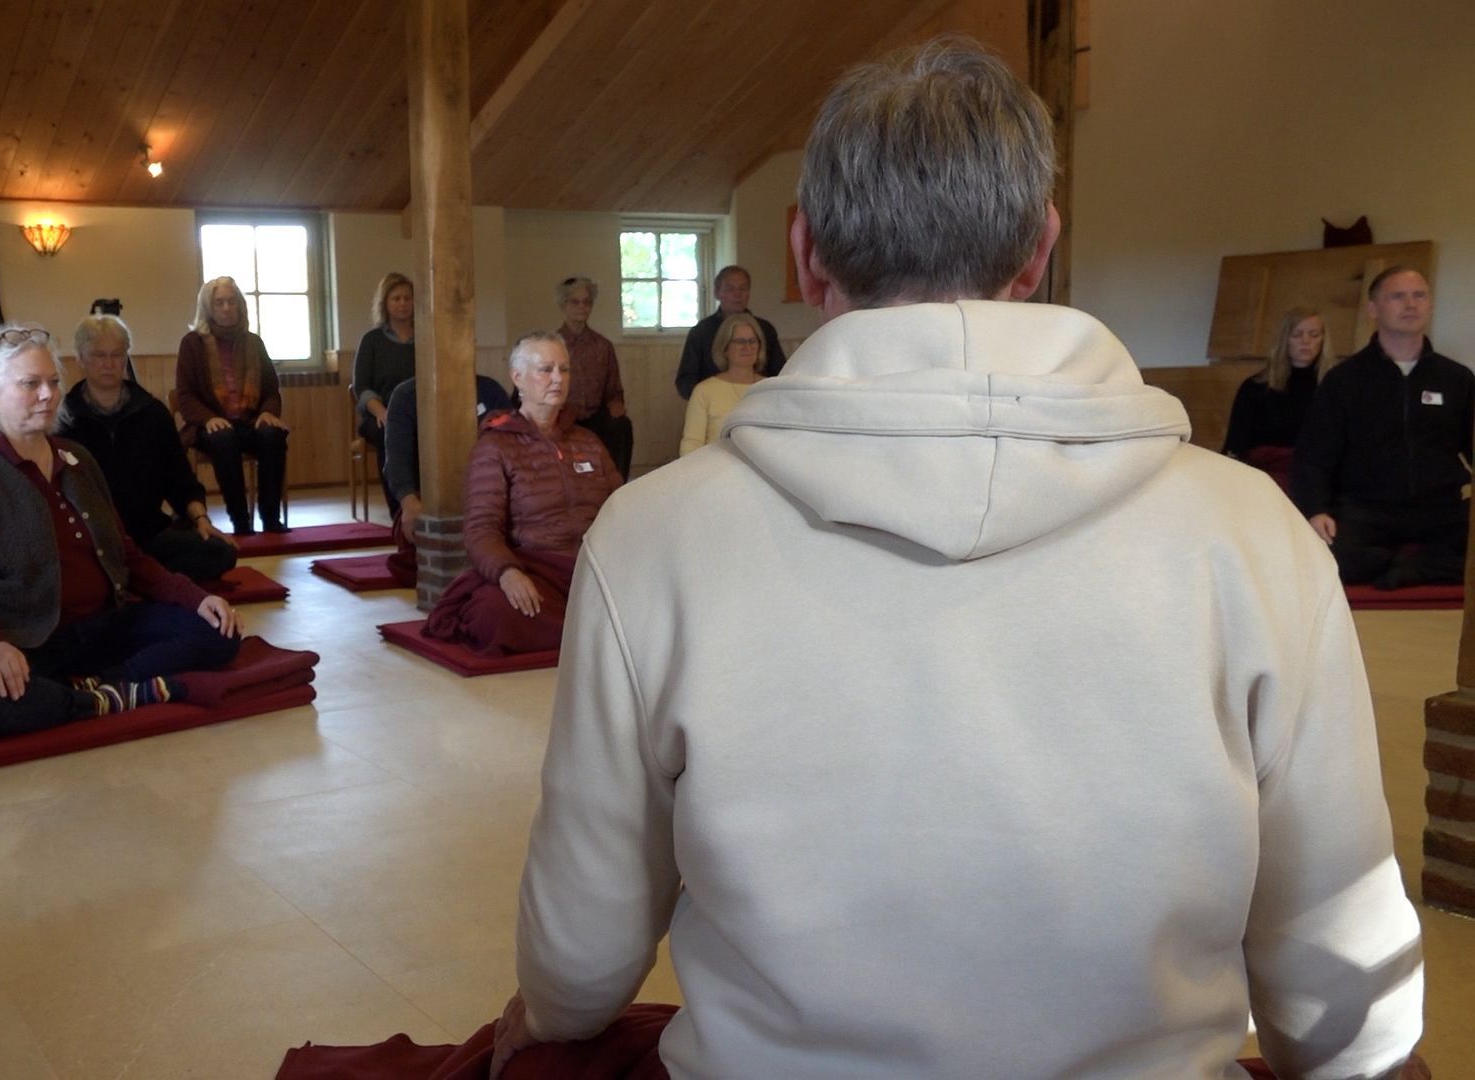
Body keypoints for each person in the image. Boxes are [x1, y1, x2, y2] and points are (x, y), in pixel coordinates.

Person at [489, 39, 1422, 1080]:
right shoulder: (1252, 530)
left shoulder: (653, 533)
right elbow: (1337, 943)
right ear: (1040, 248)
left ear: (805, 251)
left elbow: (588, 924)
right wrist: (1364, 1051)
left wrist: (553, 1008)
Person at [0, 323, 242, 736]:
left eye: (53, 382)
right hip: (22, 638)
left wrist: (196, 598)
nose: (47, 394)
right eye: (30, 384)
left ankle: (102, 687)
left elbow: (126, 555)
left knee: (218, 631)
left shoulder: (77, 459)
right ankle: (108, 695)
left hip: (101, 627)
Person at [425, 333, 620, 655]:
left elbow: (622, 509)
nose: (557, 378)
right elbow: (481, 528)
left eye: (564, 369)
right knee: (495, 613)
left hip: (594, 568)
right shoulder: (495, 446)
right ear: (518, 378)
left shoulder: (588, 441)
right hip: (538, 570)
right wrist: (508, 573)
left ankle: (592, 627)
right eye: (546, 369)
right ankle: (596, 630)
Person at [1294, 266, 1473, 588]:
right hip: (1367, 510)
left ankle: (1410, 569)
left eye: (1419, 295)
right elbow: (1314, 456)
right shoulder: (1344, 380)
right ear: (1374, 309)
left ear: (1430, 304)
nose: (1411, 304)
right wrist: (1316, 510)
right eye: (1397, 296)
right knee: (1324, 557)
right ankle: (1421, 565)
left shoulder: (1457, 378)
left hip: (1441, 508)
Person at [58, 314, 238, 584]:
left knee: (220, 553)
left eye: (117, 355)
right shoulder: (62, 419)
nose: (108, 363)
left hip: (147, 535)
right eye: (98, 355)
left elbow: (180, 479)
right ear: (81, 359)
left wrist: (201, 519)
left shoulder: (153, 413)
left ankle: (126, 579)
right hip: (90, 540)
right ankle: (141, 579)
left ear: (126, 358)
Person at [175, 276, 290, 535]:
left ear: (239, 305)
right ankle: (240, 520)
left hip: (249, 421)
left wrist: (267, 412)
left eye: (231, 301)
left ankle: (271, 518)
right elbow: (185, 396)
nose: (226, 308)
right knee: (224, 438)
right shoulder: (192, 343)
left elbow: (271, 390)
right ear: (208, 308)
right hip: (210, 425)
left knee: (273, 434)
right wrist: (208, 418)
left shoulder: (254, 342)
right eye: (219, 303)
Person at [382, 373, 513, 585]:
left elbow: (512, 446)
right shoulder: (406, 395)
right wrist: (408, 502)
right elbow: (396, 459)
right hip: (426, 498)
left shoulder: (489, 390)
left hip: (488, 494)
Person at [1222, 306, 1330, 490]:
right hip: (1264, 479)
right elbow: (1236, 444)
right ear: (1285, 339)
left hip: (1318, 478)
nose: (1306, 341)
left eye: (1314, 335)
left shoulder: (1334, 388)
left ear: (1323, 340)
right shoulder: (1255, 387)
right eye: (1297, 335)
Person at [350, 272, 418, 517]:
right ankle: (399, 510)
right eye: (396, 298)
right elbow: (361, 386)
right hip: (381, 414)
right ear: (385, 303)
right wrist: (381, 411)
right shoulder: (372, 340)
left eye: (407, 298)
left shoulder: (426, 337)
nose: (402, 303)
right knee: (388, 434)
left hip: (419, 413)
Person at [555, 276, 632, 479]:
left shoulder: (603, 346)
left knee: (621, 425)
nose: (582, 307)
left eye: (587, 302)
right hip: (562, 416)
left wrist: (616, 403)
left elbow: (614, 390)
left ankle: (617, 485)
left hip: (596, 416)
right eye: (575, 302)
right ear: (563, 305)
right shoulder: (553, 345)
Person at [673, 265, 785, 399]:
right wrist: (708, 398)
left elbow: (780, 374)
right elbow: (686, 381)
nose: (737, 294)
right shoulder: (701, 331)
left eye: (743, 288)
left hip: (758, 399)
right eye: (730, 289)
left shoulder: (765, 329)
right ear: (717, 293)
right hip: (713, 400)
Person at [678, 312, 765, 456]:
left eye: (753, 341)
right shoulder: (704, 391)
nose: (747, 347)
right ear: (725, 348)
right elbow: (691, 443)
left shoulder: (769, 388)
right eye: (740, 341)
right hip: (715, 466)